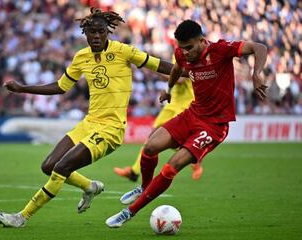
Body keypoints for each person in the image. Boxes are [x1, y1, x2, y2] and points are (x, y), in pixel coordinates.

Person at [0, 8, 174, 228]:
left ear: (107, 33)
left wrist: (190, 70)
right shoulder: (81, 57)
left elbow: (159, 65)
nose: (96, 36)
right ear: (85, 34)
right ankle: (90, 187)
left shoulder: (124, 51)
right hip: (89, 123)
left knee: (62, 167)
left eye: (100, 32)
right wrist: (23, 88)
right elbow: (61, 87)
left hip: (110, 130)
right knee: (48, 165)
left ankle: (22, 217)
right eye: (92, 32)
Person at [106, 19, 268, 228]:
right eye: (182, 48)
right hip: (192, 114)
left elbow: (259, 47)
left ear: (201, 40)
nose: (186, 52)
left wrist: (256, 73)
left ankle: (129, 212)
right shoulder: (181, 53)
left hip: (214, 126)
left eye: (190, 47)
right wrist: (169, 89)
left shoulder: (221, 49)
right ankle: (144, 188)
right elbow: (176, 69)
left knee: (171, 167)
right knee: (150, 147)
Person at [113, 76, 204, 182]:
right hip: (172, 104)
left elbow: (180, 80)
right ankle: (134, 172)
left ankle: (195, 159)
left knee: (171, 140)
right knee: (153, 137)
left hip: (185, 105)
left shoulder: (187, 59)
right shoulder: (174, 58)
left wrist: (158, 70)